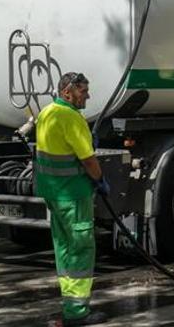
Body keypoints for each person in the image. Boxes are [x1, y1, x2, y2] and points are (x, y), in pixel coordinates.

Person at [35, 72, 110, 325]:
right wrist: (99, 180)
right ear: (67, 92)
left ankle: (69, 305)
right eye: (82, 91)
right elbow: (88, 160)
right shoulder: (71, 118)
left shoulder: (47, 113)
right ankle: (77, 313)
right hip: (74, 195)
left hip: (54, 194)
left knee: (64, 249)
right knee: (81, 251)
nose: (87, 95)